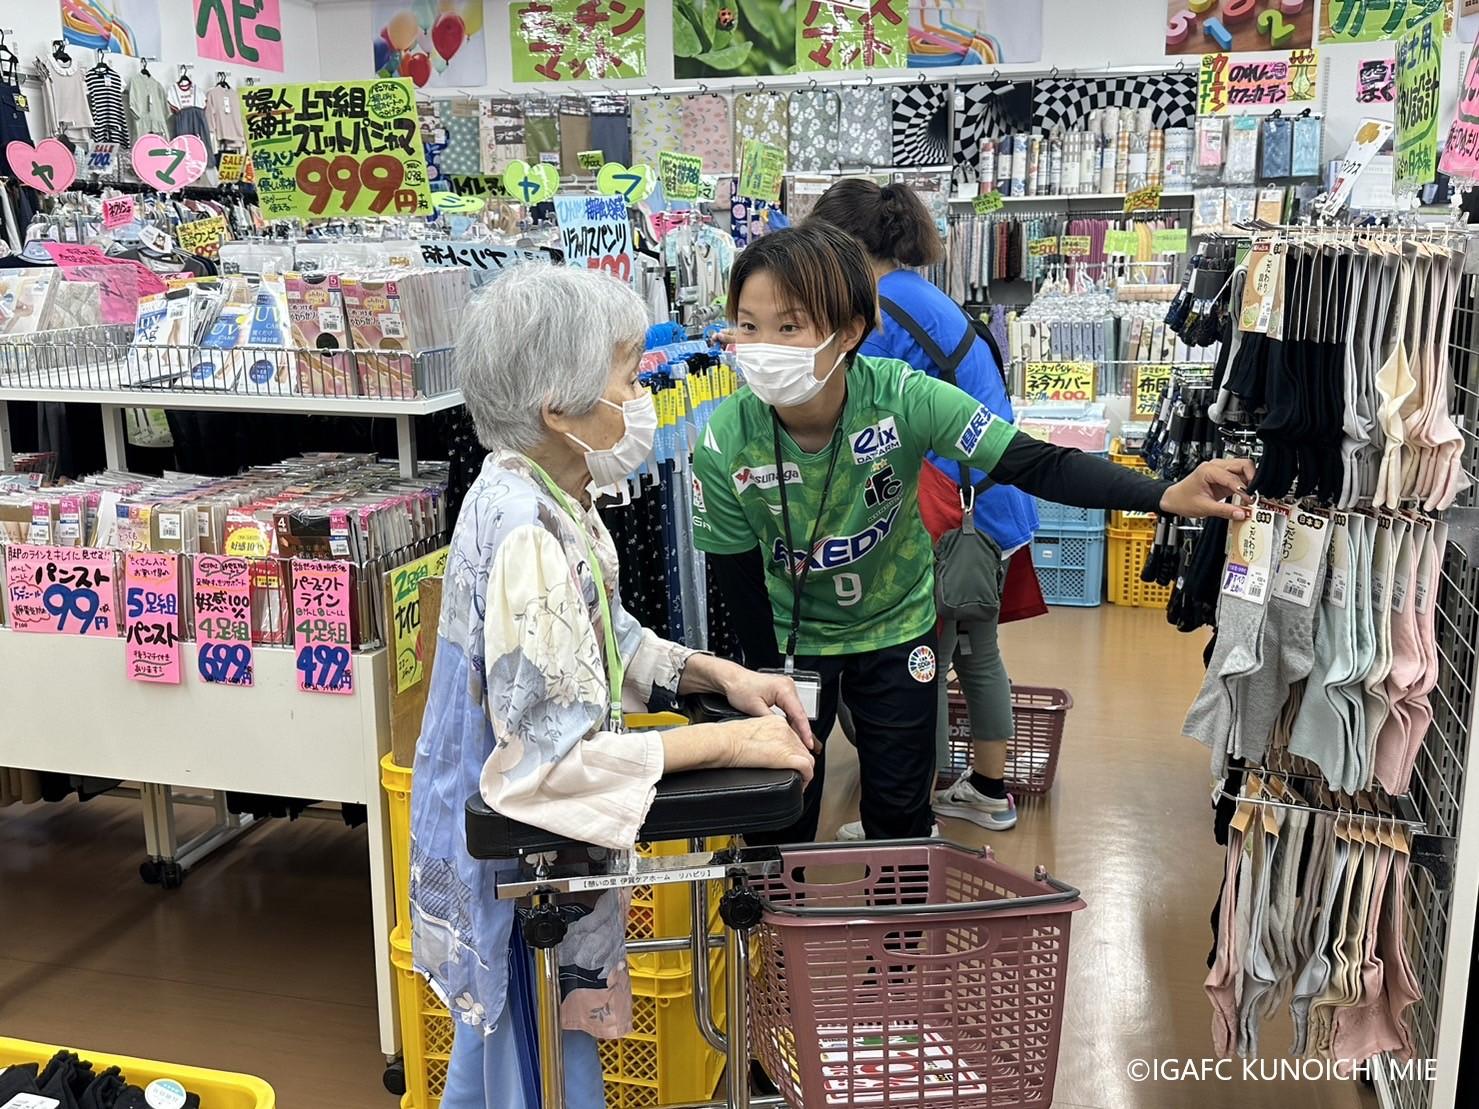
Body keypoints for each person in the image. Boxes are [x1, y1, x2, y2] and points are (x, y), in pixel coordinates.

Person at [695, 223, 1253, 845]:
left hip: (897, 626)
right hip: (789, 639)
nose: (763, 346)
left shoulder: (903, 399)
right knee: (781, 808)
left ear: (848, 331)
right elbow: (736, 575)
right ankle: (781, 935)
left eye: (789, 327)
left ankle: (900, 932)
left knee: (900, 807)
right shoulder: (723, 440)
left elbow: (1032, 462)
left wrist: (1163, 493)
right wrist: (766, 676)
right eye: (747, 326)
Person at [409, 266, 816, 1109]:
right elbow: (555, 762)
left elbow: (601, 631)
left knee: (505, 1059)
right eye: (629, 377)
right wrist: (729, 741)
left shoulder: (541, 490)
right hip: (524, 870)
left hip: (528, 862)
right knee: (539, 1063)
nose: (643, 399)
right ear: (558, 407)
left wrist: (715, 674)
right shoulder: (526, 533)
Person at [809, 177, 1037, 835]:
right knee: (976, 652)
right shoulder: (921, 294)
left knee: (918, 657)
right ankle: (986, 789)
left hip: (946, 510)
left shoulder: (876, 308)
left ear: (849, 243)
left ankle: (911, 810)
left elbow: (855, 417)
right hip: (988, 499)